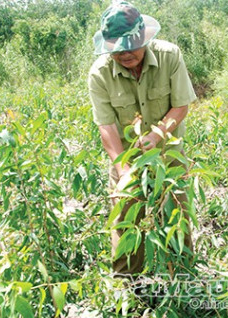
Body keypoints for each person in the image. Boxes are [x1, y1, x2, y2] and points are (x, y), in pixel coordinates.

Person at [88, 1, 197, 275]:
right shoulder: (100, 74)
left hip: (167, 157)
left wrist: (158, 134)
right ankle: (127, 283)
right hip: (127, 160)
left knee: (176, 216)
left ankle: (181, 275)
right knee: (125, 223)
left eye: (131, 46)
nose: (125, 54)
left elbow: (181, 105)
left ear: (143, 37)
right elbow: (107, 127)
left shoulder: (170, 56)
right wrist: (123, 171)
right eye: (117, 49)